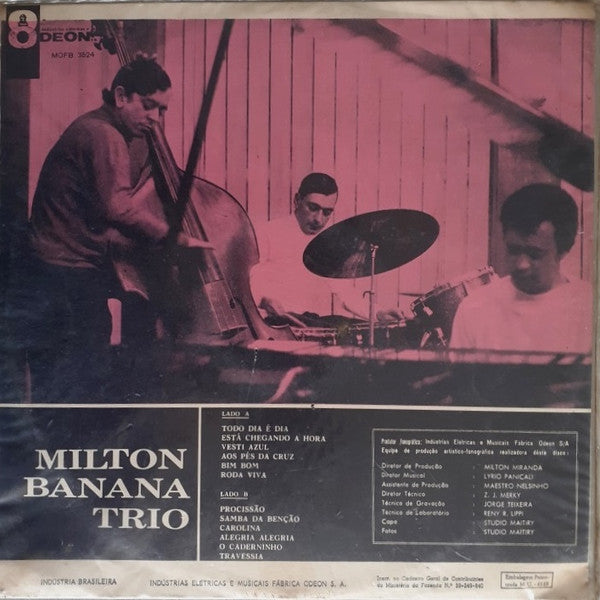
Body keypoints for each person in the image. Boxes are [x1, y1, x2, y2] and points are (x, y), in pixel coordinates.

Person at [20, 55, 209, 401]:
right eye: (148, 106)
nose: (155, 118)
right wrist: (177, 239)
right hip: (67, 272)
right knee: (83, 374)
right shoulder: (105, 135)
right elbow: (117, 207)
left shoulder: (91, 126)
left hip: (48, 270)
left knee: (60, 381)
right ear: (121, 96)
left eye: (162, 110)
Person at [450, 183, 592, 354]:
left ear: (563, 250)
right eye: (514, 250)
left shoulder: (589, 307)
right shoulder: (474, 309)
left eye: (534, 254)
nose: (521, 264)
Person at [250, 173, 371, 326]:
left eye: (327, 212)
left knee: (350, 328)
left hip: (310, 322)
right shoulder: (267, 232)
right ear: (297, 200)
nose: (319, 219)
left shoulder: (328, 242)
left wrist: (377, 313)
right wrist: (264, 299)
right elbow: (248, 280)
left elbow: (345, 291)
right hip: (274, 324)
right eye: (313, 208)